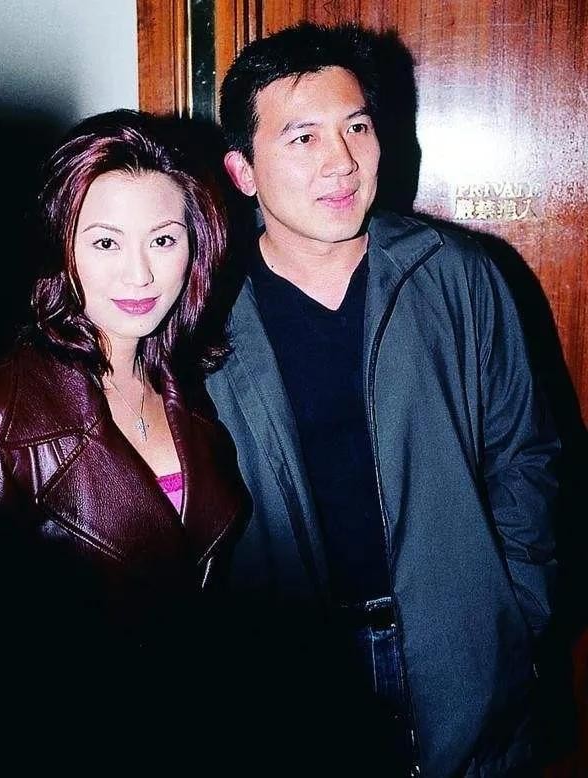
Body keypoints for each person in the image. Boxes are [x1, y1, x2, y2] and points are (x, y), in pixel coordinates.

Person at [205, 22, 560, 777]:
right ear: (243, 170)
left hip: (461, 650)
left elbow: (525, 455)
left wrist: (517, 609)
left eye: (357, 127)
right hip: (290, 666)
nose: (341, 160)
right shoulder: (207, 311)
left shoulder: (455, 274)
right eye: (302, 137)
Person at [0, 110, 247, 722]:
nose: (139, 274)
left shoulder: (191, 394)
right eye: (106, 242)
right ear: (62, 248)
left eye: (162, 240)